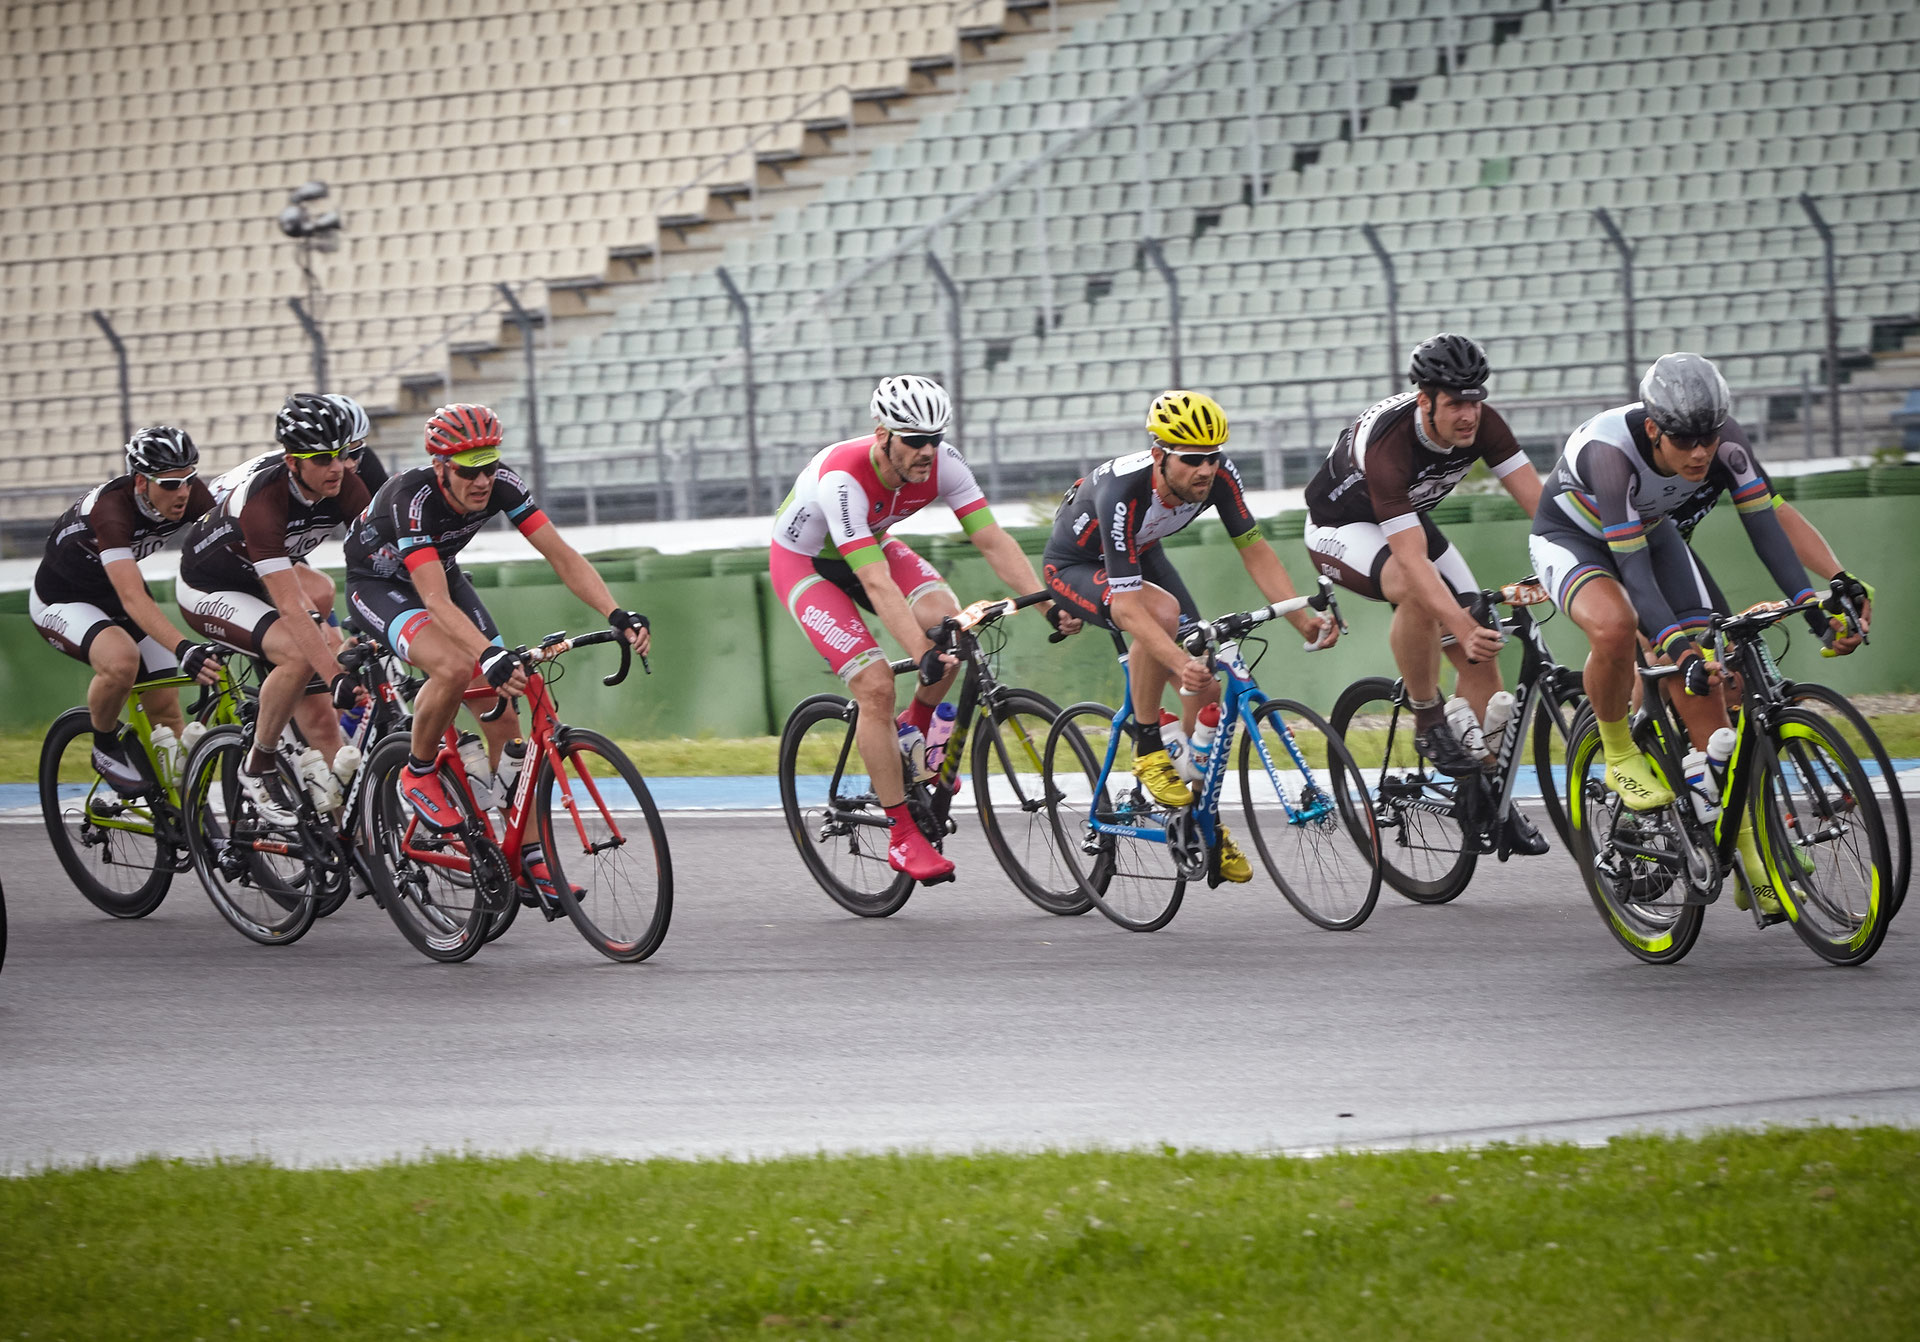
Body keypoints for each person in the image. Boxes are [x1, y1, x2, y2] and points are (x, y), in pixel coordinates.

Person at [1528, 352, 1862, 912]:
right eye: (1684, 440)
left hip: (1651, 533)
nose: (1701, 452)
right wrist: (1677, 648)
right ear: (1655, 429)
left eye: (1707, 436)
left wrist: (1814, 608)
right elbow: (1630, 573)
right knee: (1617, 627)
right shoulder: (1610, 453)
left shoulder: (1725, 442)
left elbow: (1765, 527)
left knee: (1710, 681)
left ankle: (1749, 855)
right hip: (1572, 539)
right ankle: (1615, 752)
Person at [769, 374, 1078, 884]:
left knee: (951, 629)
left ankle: (915, 731)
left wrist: (1048, 602)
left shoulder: (945, 463)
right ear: (882, 434)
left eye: (935, 438)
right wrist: (918, 651)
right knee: (875, 684)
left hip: (870, 544)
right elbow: (873, 579)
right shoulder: (841, 478)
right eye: (915, 440)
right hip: (806, 566)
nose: (927, 451)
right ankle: (902, 833)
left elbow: (993, 540)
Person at [342, 404, 649, 901]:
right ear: (441, 466)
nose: (482, 480)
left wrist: (617, 613)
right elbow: (434, 600)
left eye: (489, 466)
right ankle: (417, 774)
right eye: (469, 471)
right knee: (456, 665)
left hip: (440, 573)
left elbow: (561, 555)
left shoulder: (501, 482)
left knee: (505, 708)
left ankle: (529, 861)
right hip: (379, 586)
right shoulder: (411, 498)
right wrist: (487, 653)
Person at [1041, 390, 1338, 884]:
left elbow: (1255, 550)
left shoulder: (1220, 477)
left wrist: (1300, 617)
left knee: (1207, 681)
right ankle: (1147, 747)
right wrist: (1177, 663)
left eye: (1213, 456)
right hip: (1075, 564)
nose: (1206, 469)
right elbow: (1133, 610)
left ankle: (1199, 821)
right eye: (1192, 459)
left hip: (1142, 548)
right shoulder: (1124, 492)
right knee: (1161, 618)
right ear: (1159, 456)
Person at [1302, 332, 1548, 852]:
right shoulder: (1391, 445)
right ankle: (1429, 718)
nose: (1468, 415)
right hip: (1342, 528)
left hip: (1404, 522)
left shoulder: (1484, 424)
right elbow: (1412, 562)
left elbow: (1544, 507)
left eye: (1475, 400)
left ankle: (1479, 796)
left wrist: (1575, 562)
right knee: (1421, 593)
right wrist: (1457, 623)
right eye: (1455, 403)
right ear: (1425, 400)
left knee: (1483, 660)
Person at [176, 393, 373, 822]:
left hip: (269, 572)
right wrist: (335, 673)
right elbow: (288, 606)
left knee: (323, 721)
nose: (337, 467)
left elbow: (382, 559)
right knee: (301, 652)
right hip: (212, 587)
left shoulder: (346, 484)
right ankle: (258, 763)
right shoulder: (264, 501)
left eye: (341, 455)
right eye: (322, 459)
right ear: (293, 462)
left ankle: (354, 853)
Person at [28, 426, 225, 792]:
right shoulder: (112, 511)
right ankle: (104, 745)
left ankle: (191, 825)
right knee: (121, 662)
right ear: (140, 482)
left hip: (114, 593)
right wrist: (184, 647)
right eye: (169, 484)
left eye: (188, 479)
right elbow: (134, 597)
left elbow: (230, 547)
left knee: (166, 708)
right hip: (63, 599)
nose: (182, 492)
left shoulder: (190, 495)